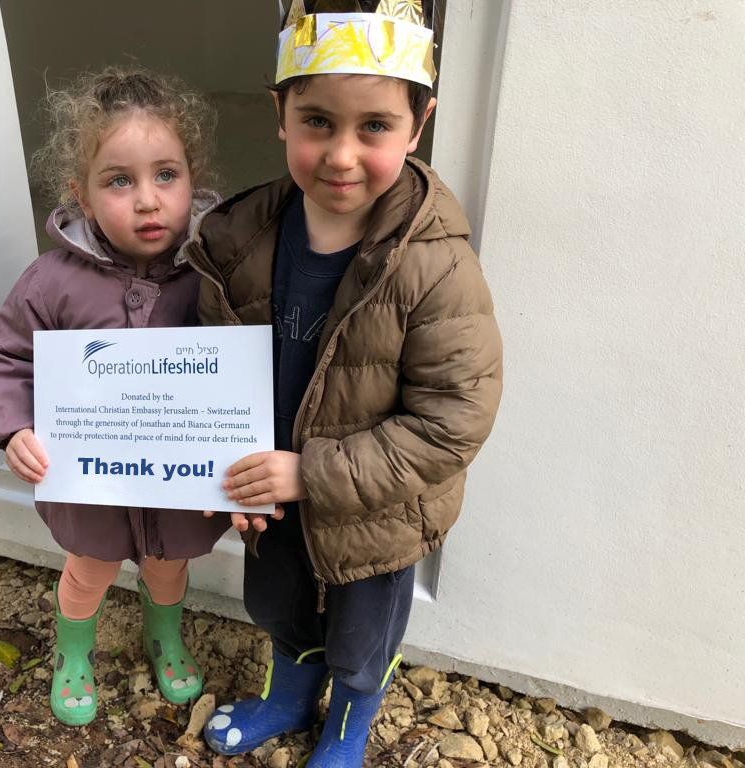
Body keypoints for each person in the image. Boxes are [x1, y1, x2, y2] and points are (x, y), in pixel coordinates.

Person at [184, 1, 504, 764]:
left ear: (417, 124)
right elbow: (205, 364)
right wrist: (215, 458)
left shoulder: (437, 265)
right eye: (318, 121)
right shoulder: (239, 237)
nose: (341, 154)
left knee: (363, 633)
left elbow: (453, 419)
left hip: (378, 512)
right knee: (279, 606)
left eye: (375, 128)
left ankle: (349, 720)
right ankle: (290, 697)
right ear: (281, 114)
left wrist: (313, 472)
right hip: (269, 494)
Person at [0, 66, 226, 727]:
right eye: (119, 181)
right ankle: (74, 653)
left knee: (168, 568)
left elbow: (243, 362)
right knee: (87, 570)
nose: (147, 200)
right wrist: (13, 427)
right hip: (91, 480)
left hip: (178, 478)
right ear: (81, 197)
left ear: (191, 181)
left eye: (165, 175)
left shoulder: (216, 269)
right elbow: (6, 355)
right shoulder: (52, 279)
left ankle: (163, 635)